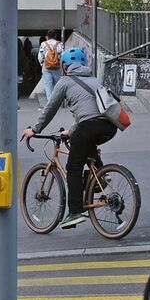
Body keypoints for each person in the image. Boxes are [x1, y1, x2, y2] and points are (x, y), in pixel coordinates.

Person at [22, 46, 117, 230]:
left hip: (89, 126)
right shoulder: (94, 80)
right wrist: (72, 131)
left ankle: (74, 212)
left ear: (65, 65)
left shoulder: (65, 82)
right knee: (85, 146)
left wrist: (35, 129)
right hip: (109, 126)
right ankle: (100, 178)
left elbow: (50, 108)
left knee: (73, 166)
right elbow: (91, 113)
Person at [37, 32, 65, 99]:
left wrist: (42, 64)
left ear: (47, 36)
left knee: (48, 85)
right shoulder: (60, 44)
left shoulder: (43, 44)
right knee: (56, 85)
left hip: (46, 67)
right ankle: (56, 101)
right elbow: (63, 56)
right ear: (55, 36)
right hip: (57, 67)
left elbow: (40, 57)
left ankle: (50, 102)